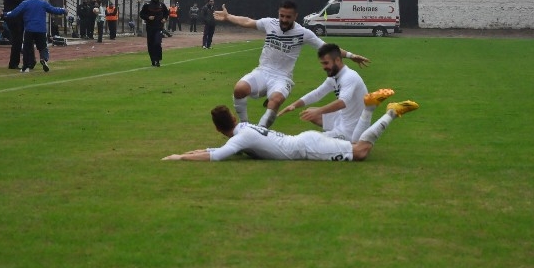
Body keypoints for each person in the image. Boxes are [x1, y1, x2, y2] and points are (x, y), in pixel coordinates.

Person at [213, 0, 370, 128]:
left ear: (295, 16)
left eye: (288, 17)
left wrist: (351, 55)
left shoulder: (303, 33)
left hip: (282, 77)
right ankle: (245, 125)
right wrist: (228, 17)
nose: (284, 20)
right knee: (239, 89)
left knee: (275, 100)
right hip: (263, 71)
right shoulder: (270, 23)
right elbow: (248, 21)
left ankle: (259, 132)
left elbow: (326, 47)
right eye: (282, 16)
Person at [161, 93, 419, 161]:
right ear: (235, 120)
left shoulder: (239, 139)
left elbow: (217, 155)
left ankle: (389, 112)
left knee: (361, 151)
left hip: (307, 149)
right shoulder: (244, 131)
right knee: (355, 145)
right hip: (304, 141)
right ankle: (373, 108)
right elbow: (214, 149)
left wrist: (180, 157)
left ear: (219, 130)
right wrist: (191, 152)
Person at [277, 43, 388, 141]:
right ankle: (334, 133)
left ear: (338, 60)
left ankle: (343, 139)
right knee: (310, 112)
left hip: (352, 129)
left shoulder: (349, 77)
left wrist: (319, 111)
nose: (324, 67)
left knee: (310, 140)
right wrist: (294, 105)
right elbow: (317, 93)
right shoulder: (334, 76)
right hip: (342, 118)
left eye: (326, 63)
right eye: (322, 63)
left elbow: (342, 102)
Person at [0, 0, 66, 73]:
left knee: (27, 48)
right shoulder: (43, 2)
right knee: (43, 47)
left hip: (29, 29)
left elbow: (14, 12)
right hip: (41, 29)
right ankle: (43, 59)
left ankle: (25, 67)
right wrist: (63, 10)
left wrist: (3, 14)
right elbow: (54, 10)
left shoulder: (26, 3)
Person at [2, 0, 29, 69]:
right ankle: (13, 63)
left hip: (18, 19)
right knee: (17, 41)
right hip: (14, 20)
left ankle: (14, 63)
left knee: (18, 41)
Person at [139, 0, 169, 67]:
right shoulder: (147, 5)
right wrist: (148, 17)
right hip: (150, 27)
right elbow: (141, 14)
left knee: (157, 43)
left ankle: (158, 60)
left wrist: (164, 19)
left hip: (159, 27)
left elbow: (166, 13)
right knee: (151, 44)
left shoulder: (161, 5)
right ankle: (153, 60)